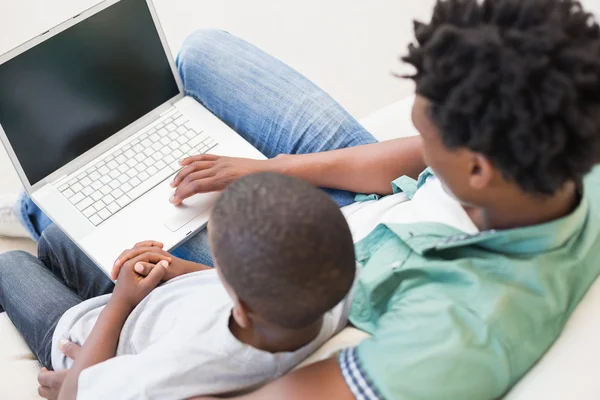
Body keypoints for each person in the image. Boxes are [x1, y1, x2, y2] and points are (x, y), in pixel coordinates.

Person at [2, 0, 600, 398]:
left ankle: (39, 212)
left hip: (299, 277)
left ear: (477, 167)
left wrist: (93, 381)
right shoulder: (561, 140)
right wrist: (272, 170)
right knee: (205, 50)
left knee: (63, 229)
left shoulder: (460, 337)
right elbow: (412, 160)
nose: (419, 137)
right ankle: (50, 208)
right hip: (360, 228)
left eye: (430, 131)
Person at [0, 172, 357, 400]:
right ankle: (31, 218)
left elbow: (78, 393)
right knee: (58, 238)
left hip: (90, 337)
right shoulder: (331, 289)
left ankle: (23, 216)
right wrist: (174, 268)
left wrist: (121, 301)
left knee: (10, 263)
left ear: (244, 310)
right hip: (158, 301)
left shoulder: (178, 367)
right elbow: (221, 286)